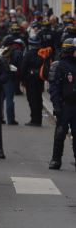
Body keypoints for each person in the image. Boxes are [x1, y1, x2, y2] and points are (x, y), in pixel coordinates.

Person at [48, 38, 76, 170]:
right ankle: (56, 159)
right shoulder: (59, 66)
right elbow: (54, 88)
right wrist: (57, 106)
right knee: (60, 133)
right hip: (65, 105)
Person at [21, 35, 45, 126]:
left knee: (32, 100)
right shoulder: (42, 54)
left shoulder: (28, 54)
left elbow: (23, 68)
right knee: (39, 99)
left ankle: (34, 120)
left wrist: (23, 80)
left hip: (30, 81)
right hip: (40, 80)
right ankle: (39, 119)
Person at [0, 36, 23, 125]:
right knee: (10, 99)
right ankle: (11, 119)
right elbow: (20, 66)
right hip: (10, 78)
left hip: (1, 77)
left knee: (0, 99)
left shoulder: (1, 52)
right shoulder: (17, 52)